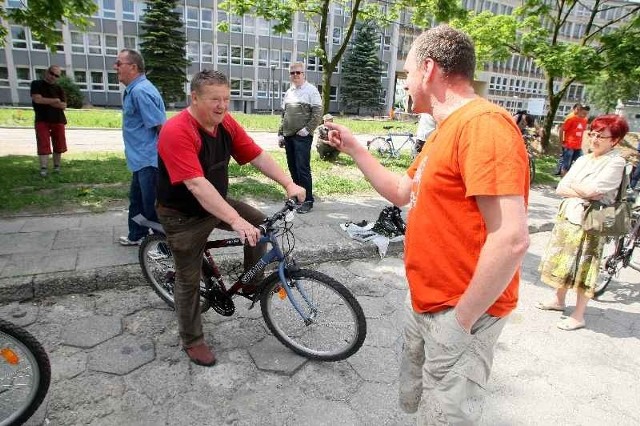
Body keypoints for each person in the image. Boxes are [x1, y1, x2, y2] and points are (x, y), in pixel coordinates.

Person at [325, 25, 530, 424]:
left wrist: (461, 321)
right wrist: (353, 148)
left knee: (447, 417)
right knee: (422, 408)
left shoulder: (482, 125)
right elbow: (403, 191)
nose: (403, 82)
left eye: (406, 73)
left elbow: (511, 238)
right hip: (426, 301)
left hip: (459, 311)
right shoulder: (444, 131)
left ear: (428, 68)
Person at [156, 70, 305, 367]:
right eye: (214, 99)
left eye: (226, 98)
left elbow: (256, 155)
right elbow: (196, 185)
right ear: (194, 98)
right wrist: (236, 222)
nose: (222, 105)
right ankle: (192, 339)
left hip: (215, 202)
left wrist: (288, 183)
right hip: (182, 214)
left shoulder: (225, 124)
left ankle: (251, 283)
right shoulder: (177, 130)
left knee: (261, 225)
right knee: (187, 278)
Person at [537, 115, 629, 331]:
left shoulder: (616, 162)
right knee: (563, 260)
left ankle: (579, 315)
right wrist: (581, 189)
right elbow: (561, 187)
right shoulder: (584, 159)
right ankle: (559, 300)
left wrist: (576, 185)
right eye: (593, 134)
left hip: (591, 221)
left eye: (601, 136)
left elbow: (594, 191)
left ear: (614, 140)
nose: (594, 139)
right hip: (570, 216)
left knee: (585, 265)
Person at [113, 49, 167, 246]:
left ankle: (165, 247)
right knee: (136, 201)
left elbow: (161, 127)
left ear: (133, 67)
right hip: (140, 160)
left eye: (119, 63)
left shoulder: (140, 91)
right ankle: (137, 234)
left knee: (151, 206)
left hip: (149, 161)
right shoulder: (135, 90)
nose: (115, 67)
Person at [277, 62, 322, 214]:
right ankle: (297, 196)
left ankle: (308, 200)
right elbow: (284, 115)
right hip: (288, 136)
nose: (295, 75)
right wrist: (280, 133)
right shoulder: (289, 91)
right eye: (292, 73)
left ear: (304, 74)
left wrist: (307, 130)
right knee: (293, 167)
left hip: (302, 137)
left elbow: (318, 114)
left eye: (298, 72)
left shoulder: (311, 90)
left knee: (302, 168)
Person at [30, 65, 67, 177]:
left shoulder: (59, 88)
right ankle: (43, 168)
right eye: (52, 73)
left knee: (59, 144)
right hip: (42, 119)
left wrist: (46, 101)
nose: (53, 77)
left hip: (58, 119)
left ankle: (56, 167)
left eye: (56, 76)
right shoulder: (36, 84)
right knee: (43, 143)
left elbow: (63, 105)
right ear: (47, 72)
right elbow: (37, 99)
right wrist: (55, 100)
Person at [558, 105, 589, 176]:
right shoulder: (571, 119)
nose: (585, 115)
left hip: (578, 147)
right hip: (569, 146)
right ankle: (562, 183)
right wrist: (561, 143)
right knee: (566, 165)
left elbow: (582, 133)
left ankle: (571, 179)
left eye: (586, 113)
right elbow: (561, 129)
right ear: (579, 111)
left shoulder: (585, 120)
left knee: (581, 163)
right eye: (584, 113)